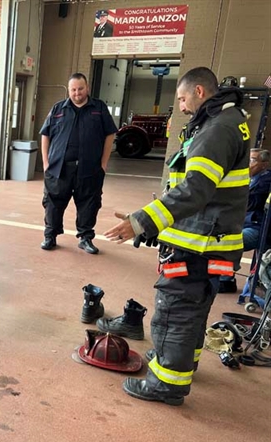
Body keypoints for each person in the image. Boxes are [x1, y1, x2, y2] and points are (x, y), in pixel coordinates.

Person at [104, 67, 251, 406]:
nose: (182, 107)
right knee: (194, 311)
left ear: (199, 91)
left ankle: (166, 384)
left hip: (199, 244)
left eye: (183, 99)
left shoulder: (216, 130)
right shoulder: (230, 122)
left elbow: (194, 190)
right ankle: (183, 361)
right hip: (210, 241)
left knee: (175, 311)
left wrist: (140, 222)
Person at [40, 72, 117, 254]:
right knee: (53, 204)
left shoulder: (99, 108)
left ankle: (85, 238)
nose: (77, 93)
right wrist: (46, 163)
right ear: (69, 90)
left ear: (87, 88)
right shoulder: (58, 109)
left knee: (89, 204)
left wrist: (104, 163)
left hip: (90, 169)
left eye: (80, 89)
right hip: (59, 169)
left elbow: (110, 135)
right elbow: (45, 134)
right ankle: (50, 236)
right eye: (73, 90)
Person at [219, 148, 271, 292]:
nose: (248, 163)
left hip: (258, 227)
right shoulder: (249, 177)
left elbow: (248, 203)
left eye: (253, 160)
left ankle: (225, 280)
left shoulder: (266, 179)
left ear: (264, 164)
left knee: (230, 243)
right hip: (243, 223)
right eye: (247, 159)